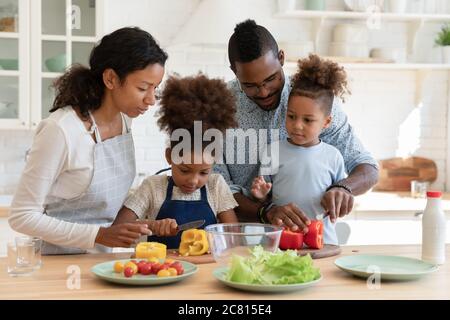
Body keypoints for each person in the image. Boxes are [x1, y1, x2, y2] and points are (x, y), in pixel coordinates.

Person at [9, 27, 167, 255]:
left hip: (99, 263)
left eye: (155, 88)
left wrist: (143, 223)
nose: (151, 99)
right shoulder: (61, 130)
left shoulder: (125, 122)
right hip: (53, 264)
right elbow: (22, 216)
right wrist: (99, 235)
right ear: (111, 79)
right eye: (142, 88)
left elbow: (103, 206)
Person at [213, 19, 379, 232]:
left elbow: (367, 167)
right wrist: (266, 211)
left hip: (309, 236)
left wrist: (343, 188)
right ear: (234, 71)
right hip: (238, 233)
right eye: (250, 85)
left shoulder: (312, 97)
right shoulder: (217, 107)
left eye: (271, 79)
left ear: (281, 58)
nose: (263, 92)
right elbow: (215, 186)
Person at [113, 74, 239, 249]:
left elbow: (233, 238)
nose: (194, 181)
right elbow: (118, 229)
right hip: (160, 272)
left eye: (204, 172)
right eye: (185, 170)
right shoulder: (153, 187)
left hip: (206, 268)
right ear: (170, 156)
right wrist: (152, 226)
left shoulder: (216, 186)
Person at [251, 54, 351, 245]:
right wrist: (261, 195)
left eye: (307, 120)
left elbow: (340, 197)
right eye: (291, 116)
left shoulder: (333, 156)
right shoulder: (273, 151)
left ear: (326, 122)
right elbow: (266, 202)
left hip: (323, 241)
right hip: (282, 242)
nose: (297, 125)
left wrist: (339, 205)